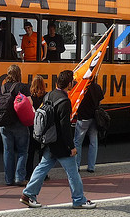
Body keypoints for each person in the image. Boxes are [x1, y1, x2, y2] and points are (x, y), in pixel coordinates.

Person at [20, 70, 97, 209]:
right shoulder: (65, 101)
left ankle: (28, 194)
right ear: (69, 84)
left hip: (48, 140)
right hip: (60, 144)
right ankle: (79, 200)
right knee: (73, 172)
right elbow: (64, 127)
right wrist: (71, 146)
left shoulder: (49, 95)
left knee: (42, 168)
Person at [0, 64, 31, 186]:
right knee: (22, 151)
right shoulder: (22, 87)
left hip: (4, 124)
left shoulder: (2, 88)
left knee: (8, 151)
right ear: (19, 74)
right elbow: (30, 103)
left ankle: (8, 179)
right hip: (19, 123)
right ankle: (19, 178)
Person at [74, 75, 104, 173]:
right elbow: (99, 103)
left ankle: (76, 165)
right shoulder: (97, 87)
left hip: (83, 118)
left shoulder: (82, 88)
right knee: (93, 142)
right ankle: (91, 167)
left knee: (78, 142)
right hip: (94, 118)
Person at [25, 75, 48, 181]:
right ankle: (43, 175)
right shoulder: (46, 96)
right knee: (42, 152)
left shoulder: (30, 98)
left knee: (30, 152)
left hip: (32, 127)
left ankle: (28, 174)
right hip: (43, 127)